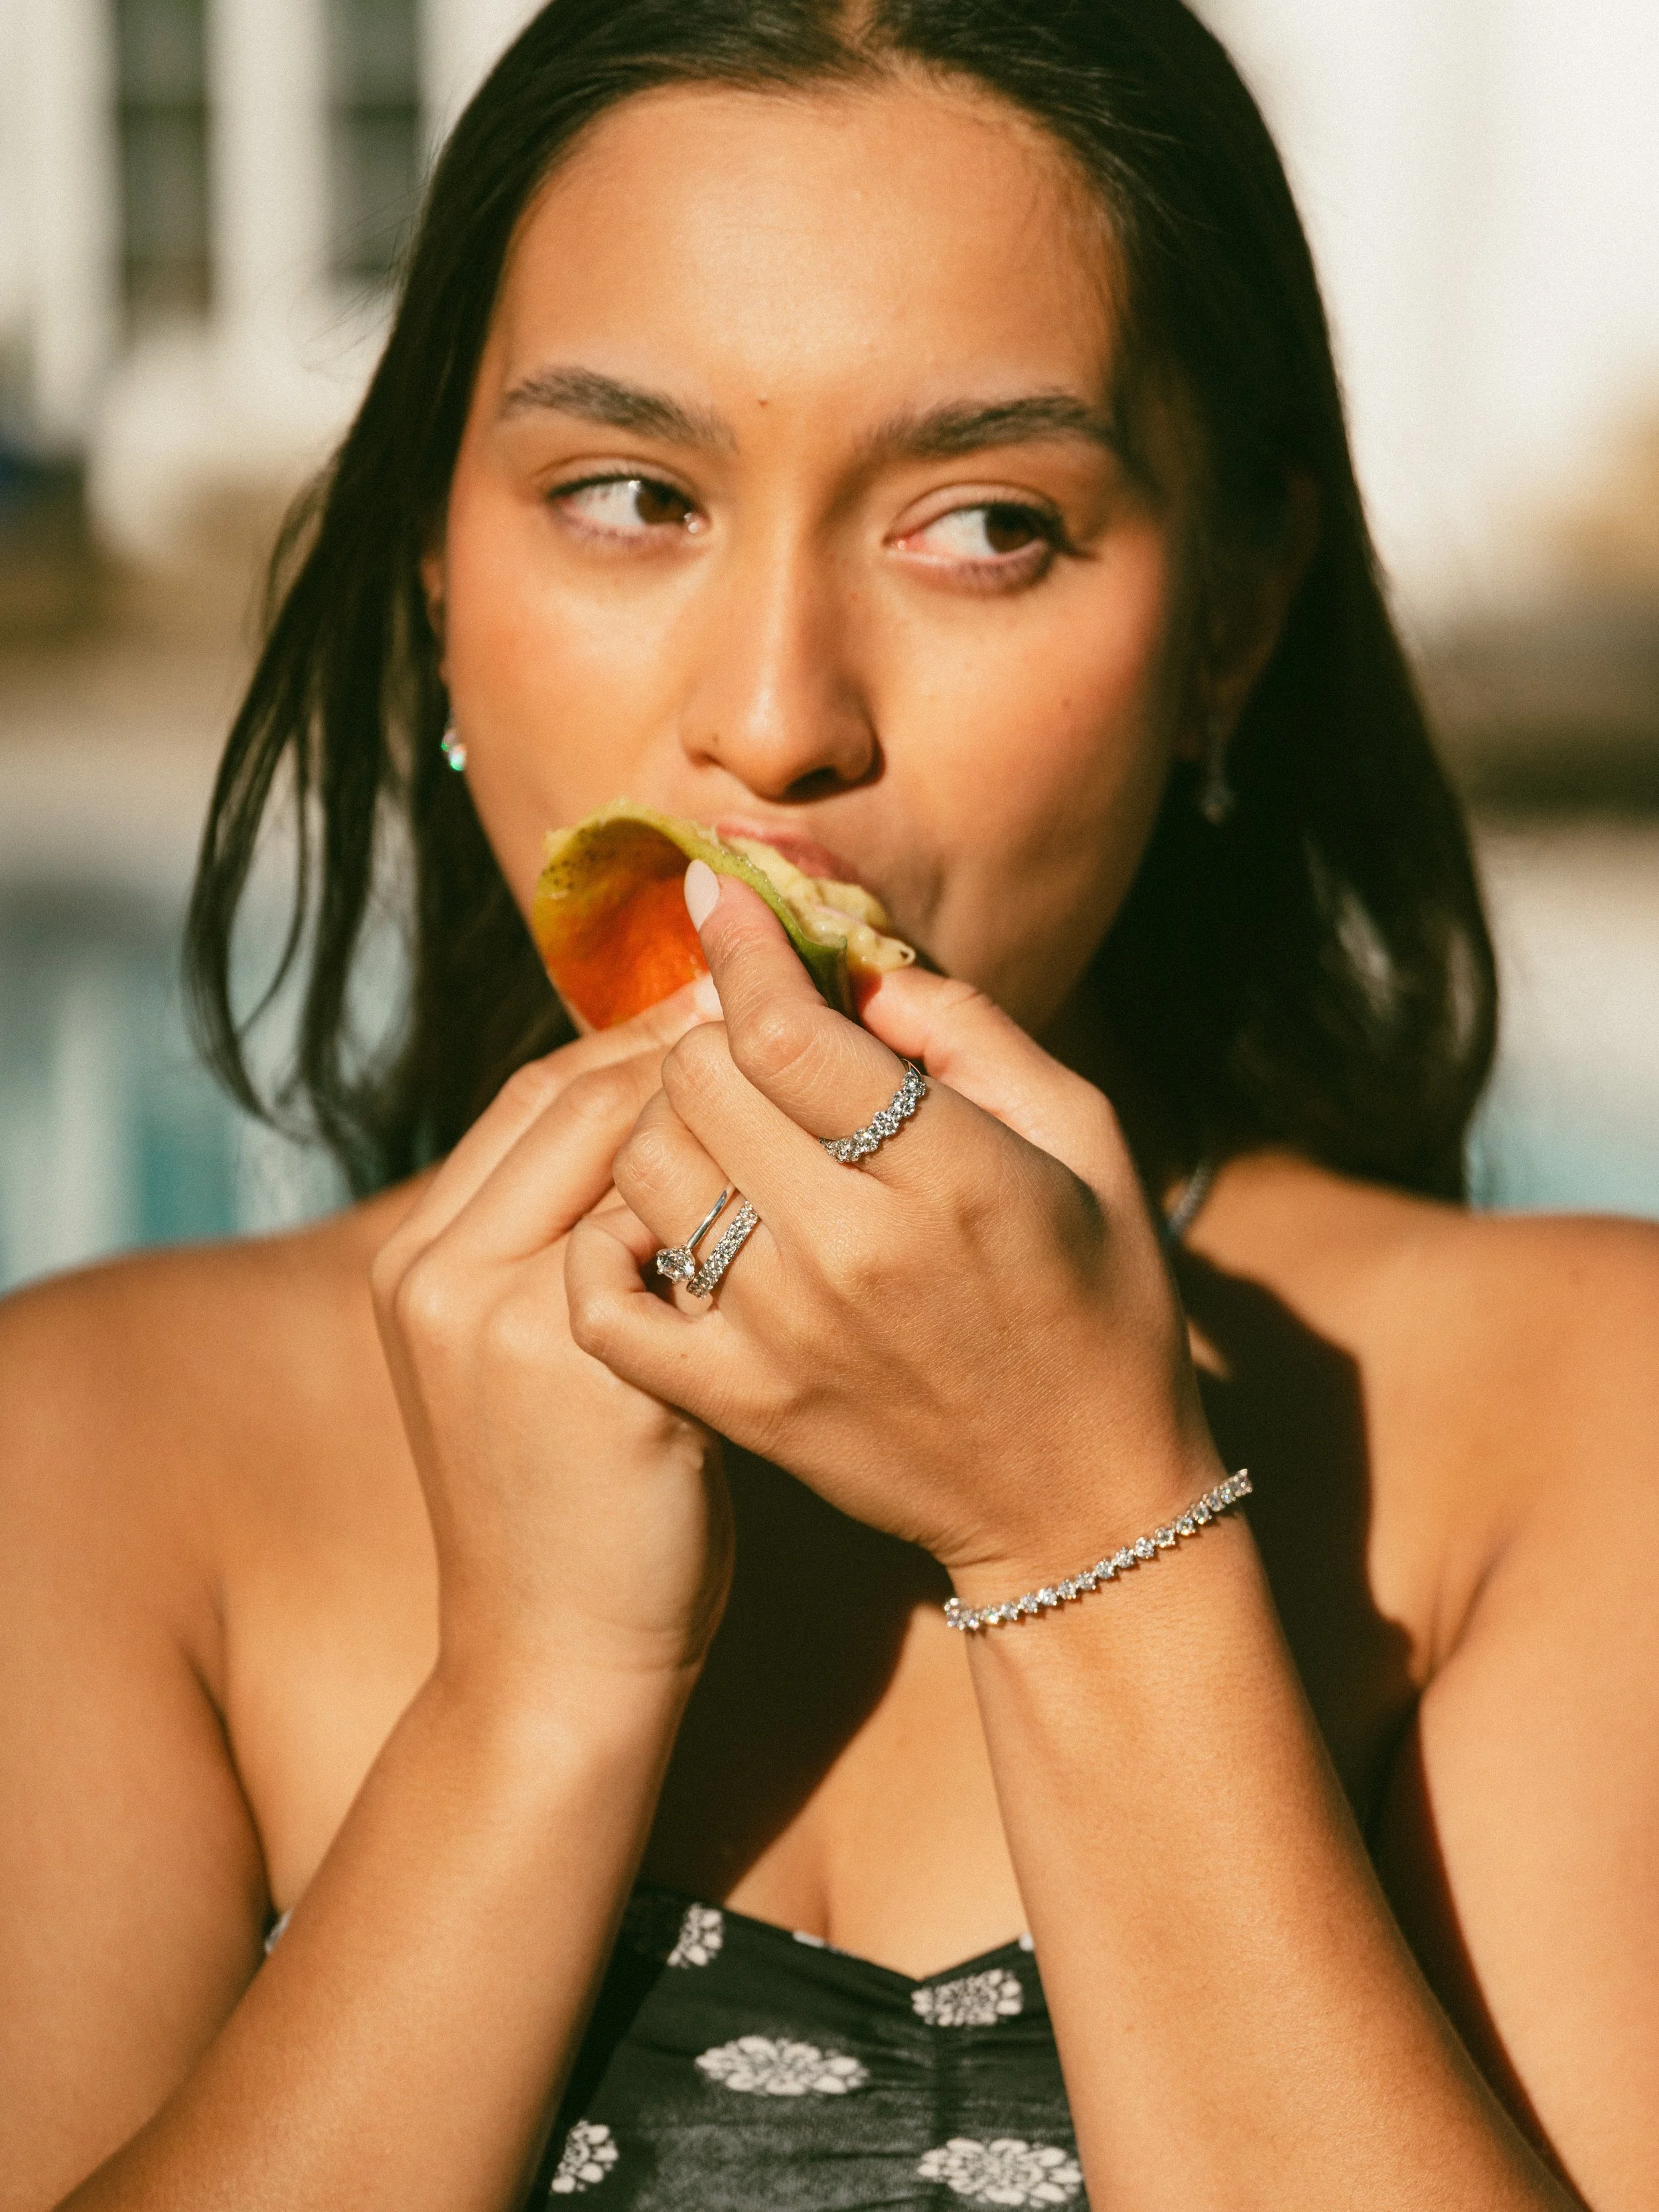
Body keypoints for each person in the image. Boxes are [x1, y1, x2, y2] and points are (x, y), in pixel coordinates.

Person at [3, 3, 1654, 2207]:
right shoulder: (96, 1457)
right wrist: (535, 1697)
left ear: (1232, 616)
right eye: (626, 497)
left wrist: (1088, 1542)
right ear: (430, 567)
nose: (776, 722)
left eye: (982, 524)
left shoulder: (1580, 1419)